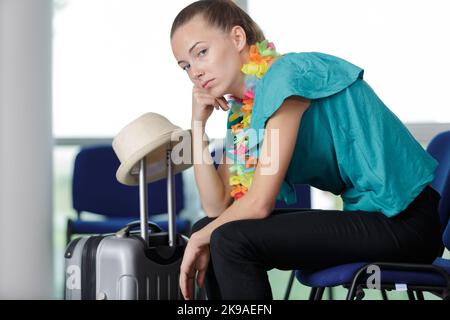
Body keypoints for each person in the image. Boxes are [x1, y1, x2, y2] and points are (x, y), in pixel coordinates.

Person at [170, 0, 442, 300]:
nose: (195, 72)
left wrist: (198, 239)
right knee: (208, 227)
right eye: (185, 66)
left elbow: (259, 203)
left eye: (201, 52)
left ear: (237, 38)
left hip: (404, 221)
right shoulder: (244, 111)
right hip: (367, 217)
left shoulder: (286, 77)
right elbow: (218, 208)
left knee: (228, 239)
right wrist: (197, 126)